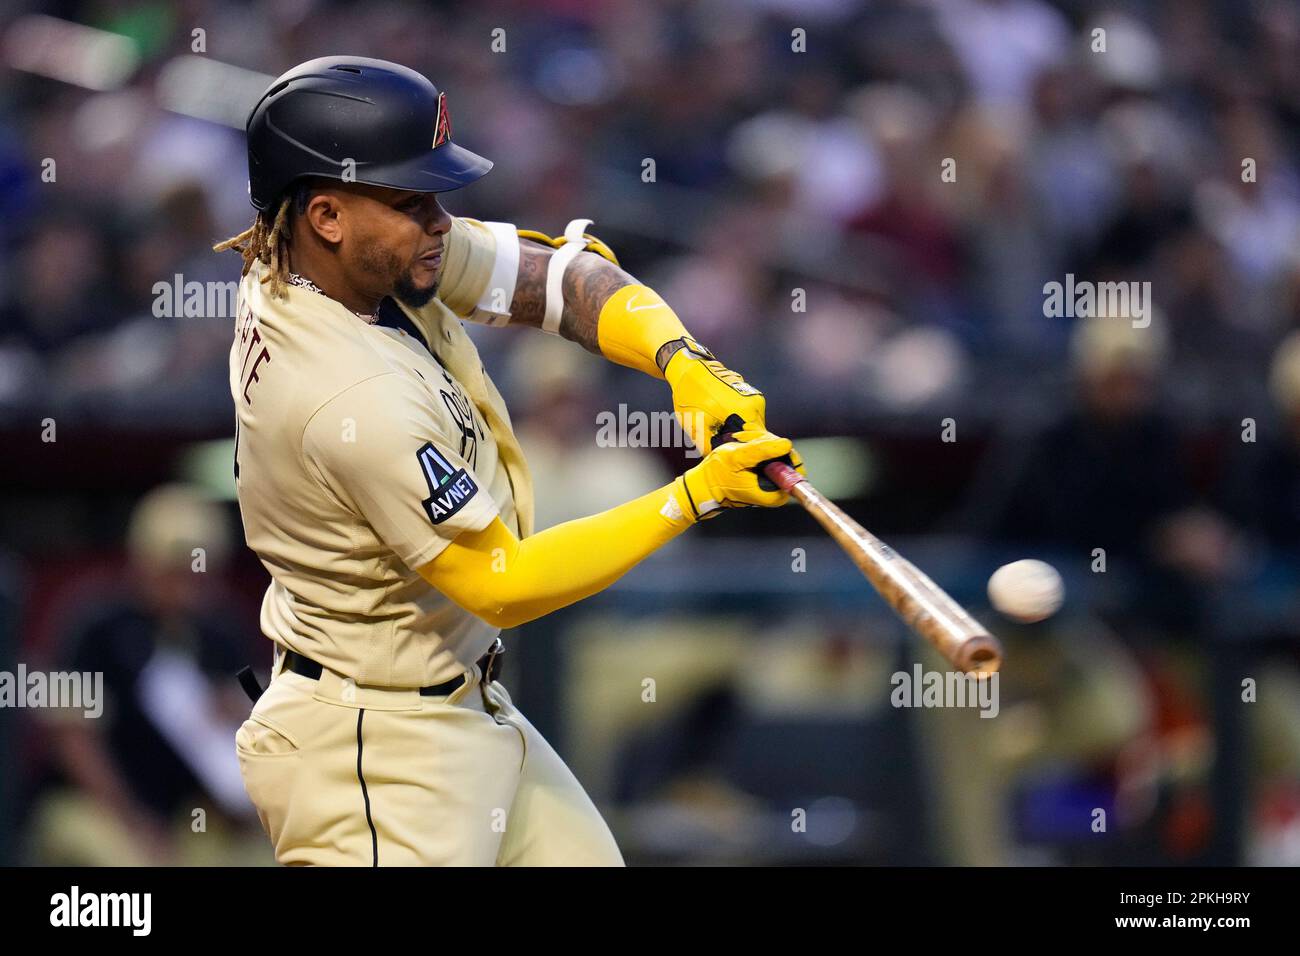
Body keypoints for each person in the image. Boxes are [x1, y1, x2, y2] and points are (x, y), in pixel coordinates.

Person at [214, 56, 803, 866]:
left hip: (461, 702)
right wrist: (696, 495)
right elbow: (503, 585)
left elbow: (558, 280)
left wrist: (683, 361)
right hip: (376, 755)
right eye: (411, 200)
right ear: (326, 214)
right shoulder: (347, 393)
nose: (440, 222)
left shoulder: (339, 263)